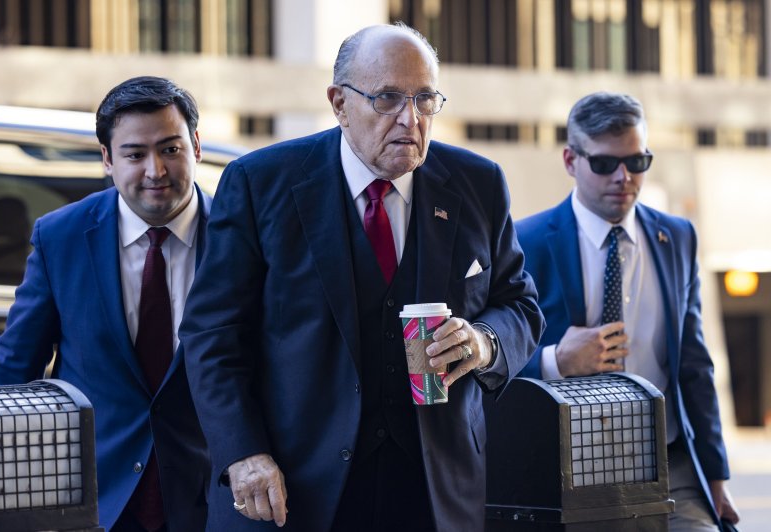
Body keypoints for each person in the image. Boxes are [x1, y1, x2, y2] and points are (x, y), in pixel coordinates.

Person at [179, 23, 544, 532]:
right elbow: (212, 334)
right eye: (388, 98)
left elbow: (520, 307)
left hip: (435, 486)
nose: (409, 119)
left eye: (424, 99)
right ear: (338, 103)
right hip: (295, 485)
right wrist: (243, 452)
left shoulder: (478, 183)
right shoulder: (261, 182)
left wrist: (483, 342)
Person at [0, 76, 211, 532]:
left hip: (213, 497)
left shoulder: (240, 233)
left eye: (170, 149)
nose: (155, 170)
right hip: (95, 499)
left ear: (197, 146)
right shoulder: (61, 237)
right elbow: (14, 371)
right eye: (134, 154)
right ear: (107, 159)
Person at [515, 92, 739, 531]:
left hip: (670, 463)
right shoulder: (526, 242)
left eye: (637, 162)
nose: (623, 177)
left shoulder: (677, 237)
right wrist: (554, 361)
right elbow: (492, 364)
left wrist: (715, 475)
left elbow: (694, 365)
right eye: (605, 164)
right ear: (570, 160)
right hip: (573, 470)